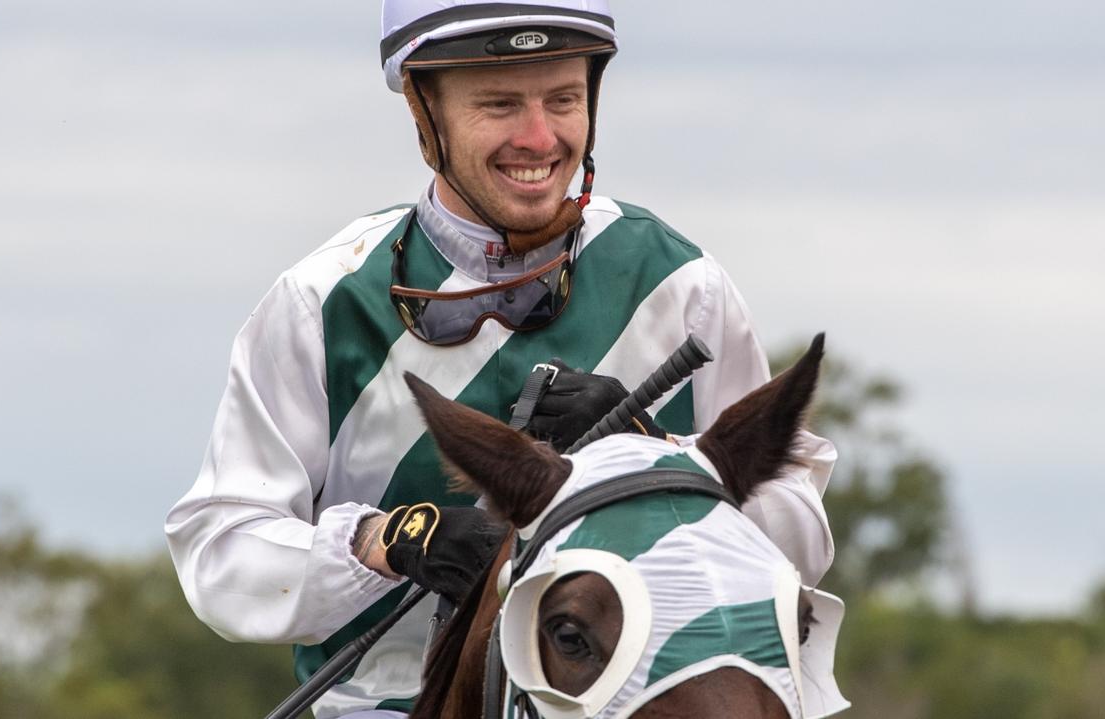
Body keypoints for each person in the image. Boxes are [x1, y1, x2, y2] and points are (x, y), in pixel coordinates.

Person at [165, 2, 840, 717]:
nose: (539, 137)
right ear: (427, 115)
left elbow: (798, 533)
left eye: (563, 100)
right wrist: (389, 541)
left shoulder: (681, 285)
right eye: (499, 104)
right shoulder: (319, 303)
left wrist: (657, 449)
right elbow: (220, 550)